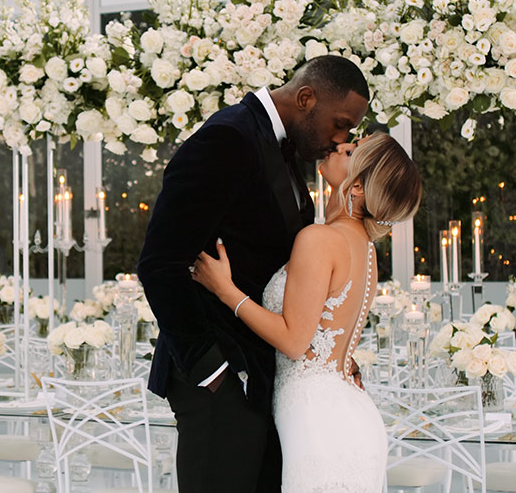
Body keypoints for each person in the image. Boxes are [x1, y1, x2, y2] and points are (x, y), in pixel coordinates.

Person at [137, 55, 370, 493]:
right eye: (340, 124)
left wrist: (326, 351)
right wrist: (213, 371)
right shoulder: (227, 138)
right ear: (306, 98)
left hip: (265, 375)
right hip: (220, 380)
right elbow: (159, 263)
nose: (342, 138)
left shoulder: (286, 147)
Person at [191, 133, 423, 491]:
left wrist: (226, 291)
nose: (339, 146)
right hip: (350, 411)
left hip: (318, 419)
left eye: (352, 150)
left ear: (358, 186)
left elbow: (295, 342)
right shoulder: (364, 247)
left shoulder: (320, 239)